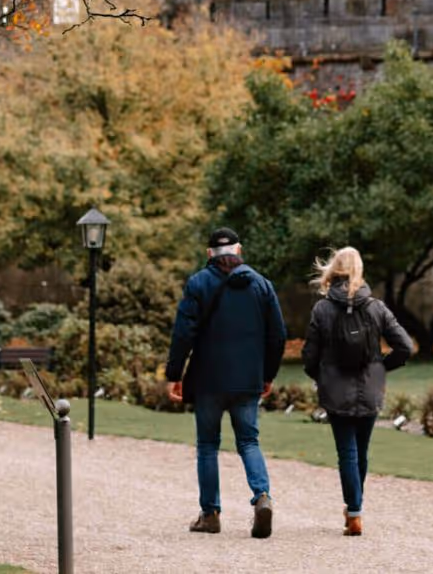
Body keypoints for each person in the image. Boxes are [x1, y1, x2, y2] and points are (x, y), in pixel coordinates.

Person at [166, 227, 287, 539]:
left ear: (209, 254)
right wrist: (268, 374)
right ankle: (262, 497)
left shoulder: (198, 283)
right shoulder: (262, 285)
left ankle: (210, 514)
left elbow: (183, 334)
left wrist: (174, 374)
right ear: (239, 250)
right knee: (249, 441)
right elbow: (278, 335)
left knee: (208, 445)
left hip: (208, 379)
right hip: (247, 379)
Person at [302, 247, 412, 536]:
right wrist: (381, 367)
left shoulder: (322, 309)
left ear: (334, 270)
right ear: (359, 270)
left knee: (347, 453)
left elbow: (308, 357)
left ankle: (354, 512)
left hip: (336, 390)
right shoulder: (376, 307)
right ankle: (355, 508)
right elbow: (405, 346)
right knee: (361, 452)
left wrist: (321, 376)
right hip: (369, 387)